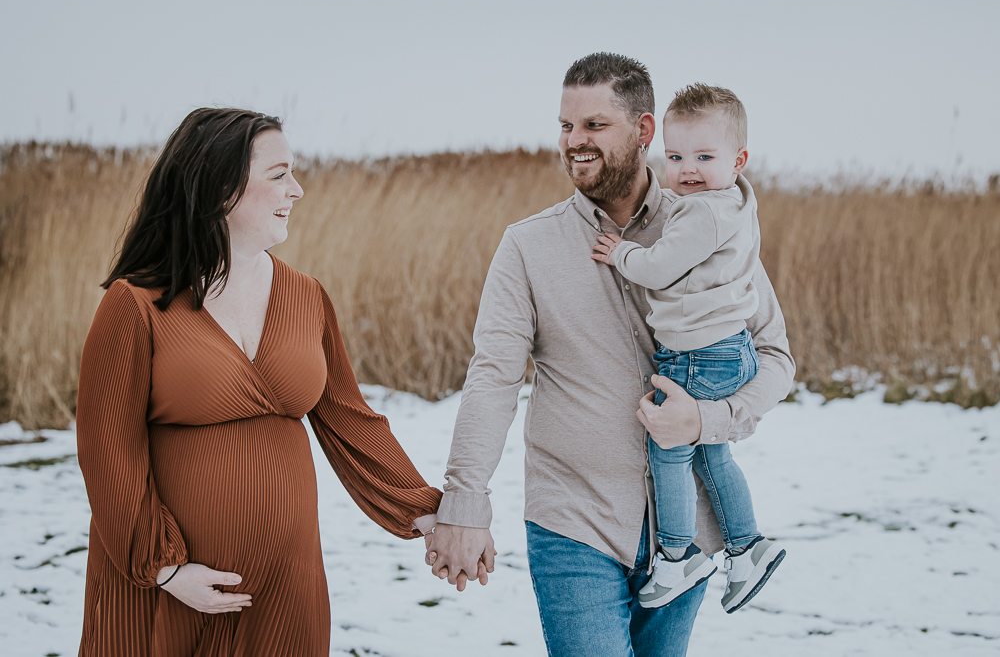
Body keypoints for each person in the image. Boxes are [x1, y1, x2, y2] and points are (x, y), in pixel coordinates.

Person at [424, 53, 795, 656]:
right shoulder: (527, 246)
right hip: (574, 522)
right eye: (566, 126)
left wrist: (705, 421)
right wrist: (465, 502)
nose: (575, 142)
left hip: (689, 539)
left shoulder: (713, 225)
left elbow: (775, 357)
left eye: (594, 125)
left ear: (644, 131)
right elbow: (493, 378)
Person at [75, 107, 441, 656]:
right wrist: (165, 570)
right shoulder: (136, 304)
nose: (297, 189)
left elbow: (349, 419)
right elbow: (107, 448)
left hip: (284, 593)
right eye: (279, 174)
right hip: (171, 591)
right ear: (221, 188)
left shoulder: (306, 296)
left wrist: (426, 512)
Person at [591, 83, 785, 614]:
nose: (687, 169)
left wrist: (623, 253)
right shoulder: (733, 201)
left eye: (704, 156)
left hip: (700, 355)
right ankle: (747, 547)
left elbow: (659, 268)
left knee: (669, 449)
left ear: (738, 159)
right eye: (675, 157)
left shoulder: (703, 214)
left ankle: (678, 555)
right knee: (713, 453)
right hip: (724, 350)